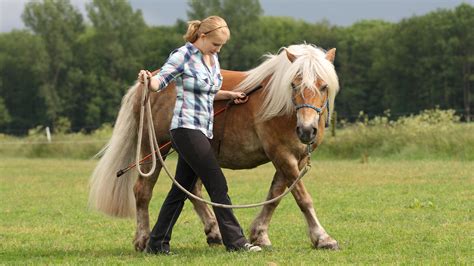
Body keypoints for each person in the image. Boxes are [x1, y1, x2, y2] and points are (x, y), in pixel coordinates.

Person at [137, 16, 261, 254]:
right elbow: (159, 82)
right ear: (202, 37)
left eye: (221, 45)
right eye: (215, 44)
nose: (218, 49)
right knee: (217, 182)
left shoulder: (212, 59)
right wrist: (147, 78)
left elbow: (208, 92)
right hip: (185, 129)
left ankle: (156, 244)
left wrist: (230, 94)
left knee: (180, 190)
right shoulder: (182, 55)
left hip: (203, 130)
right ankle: (236, 242)